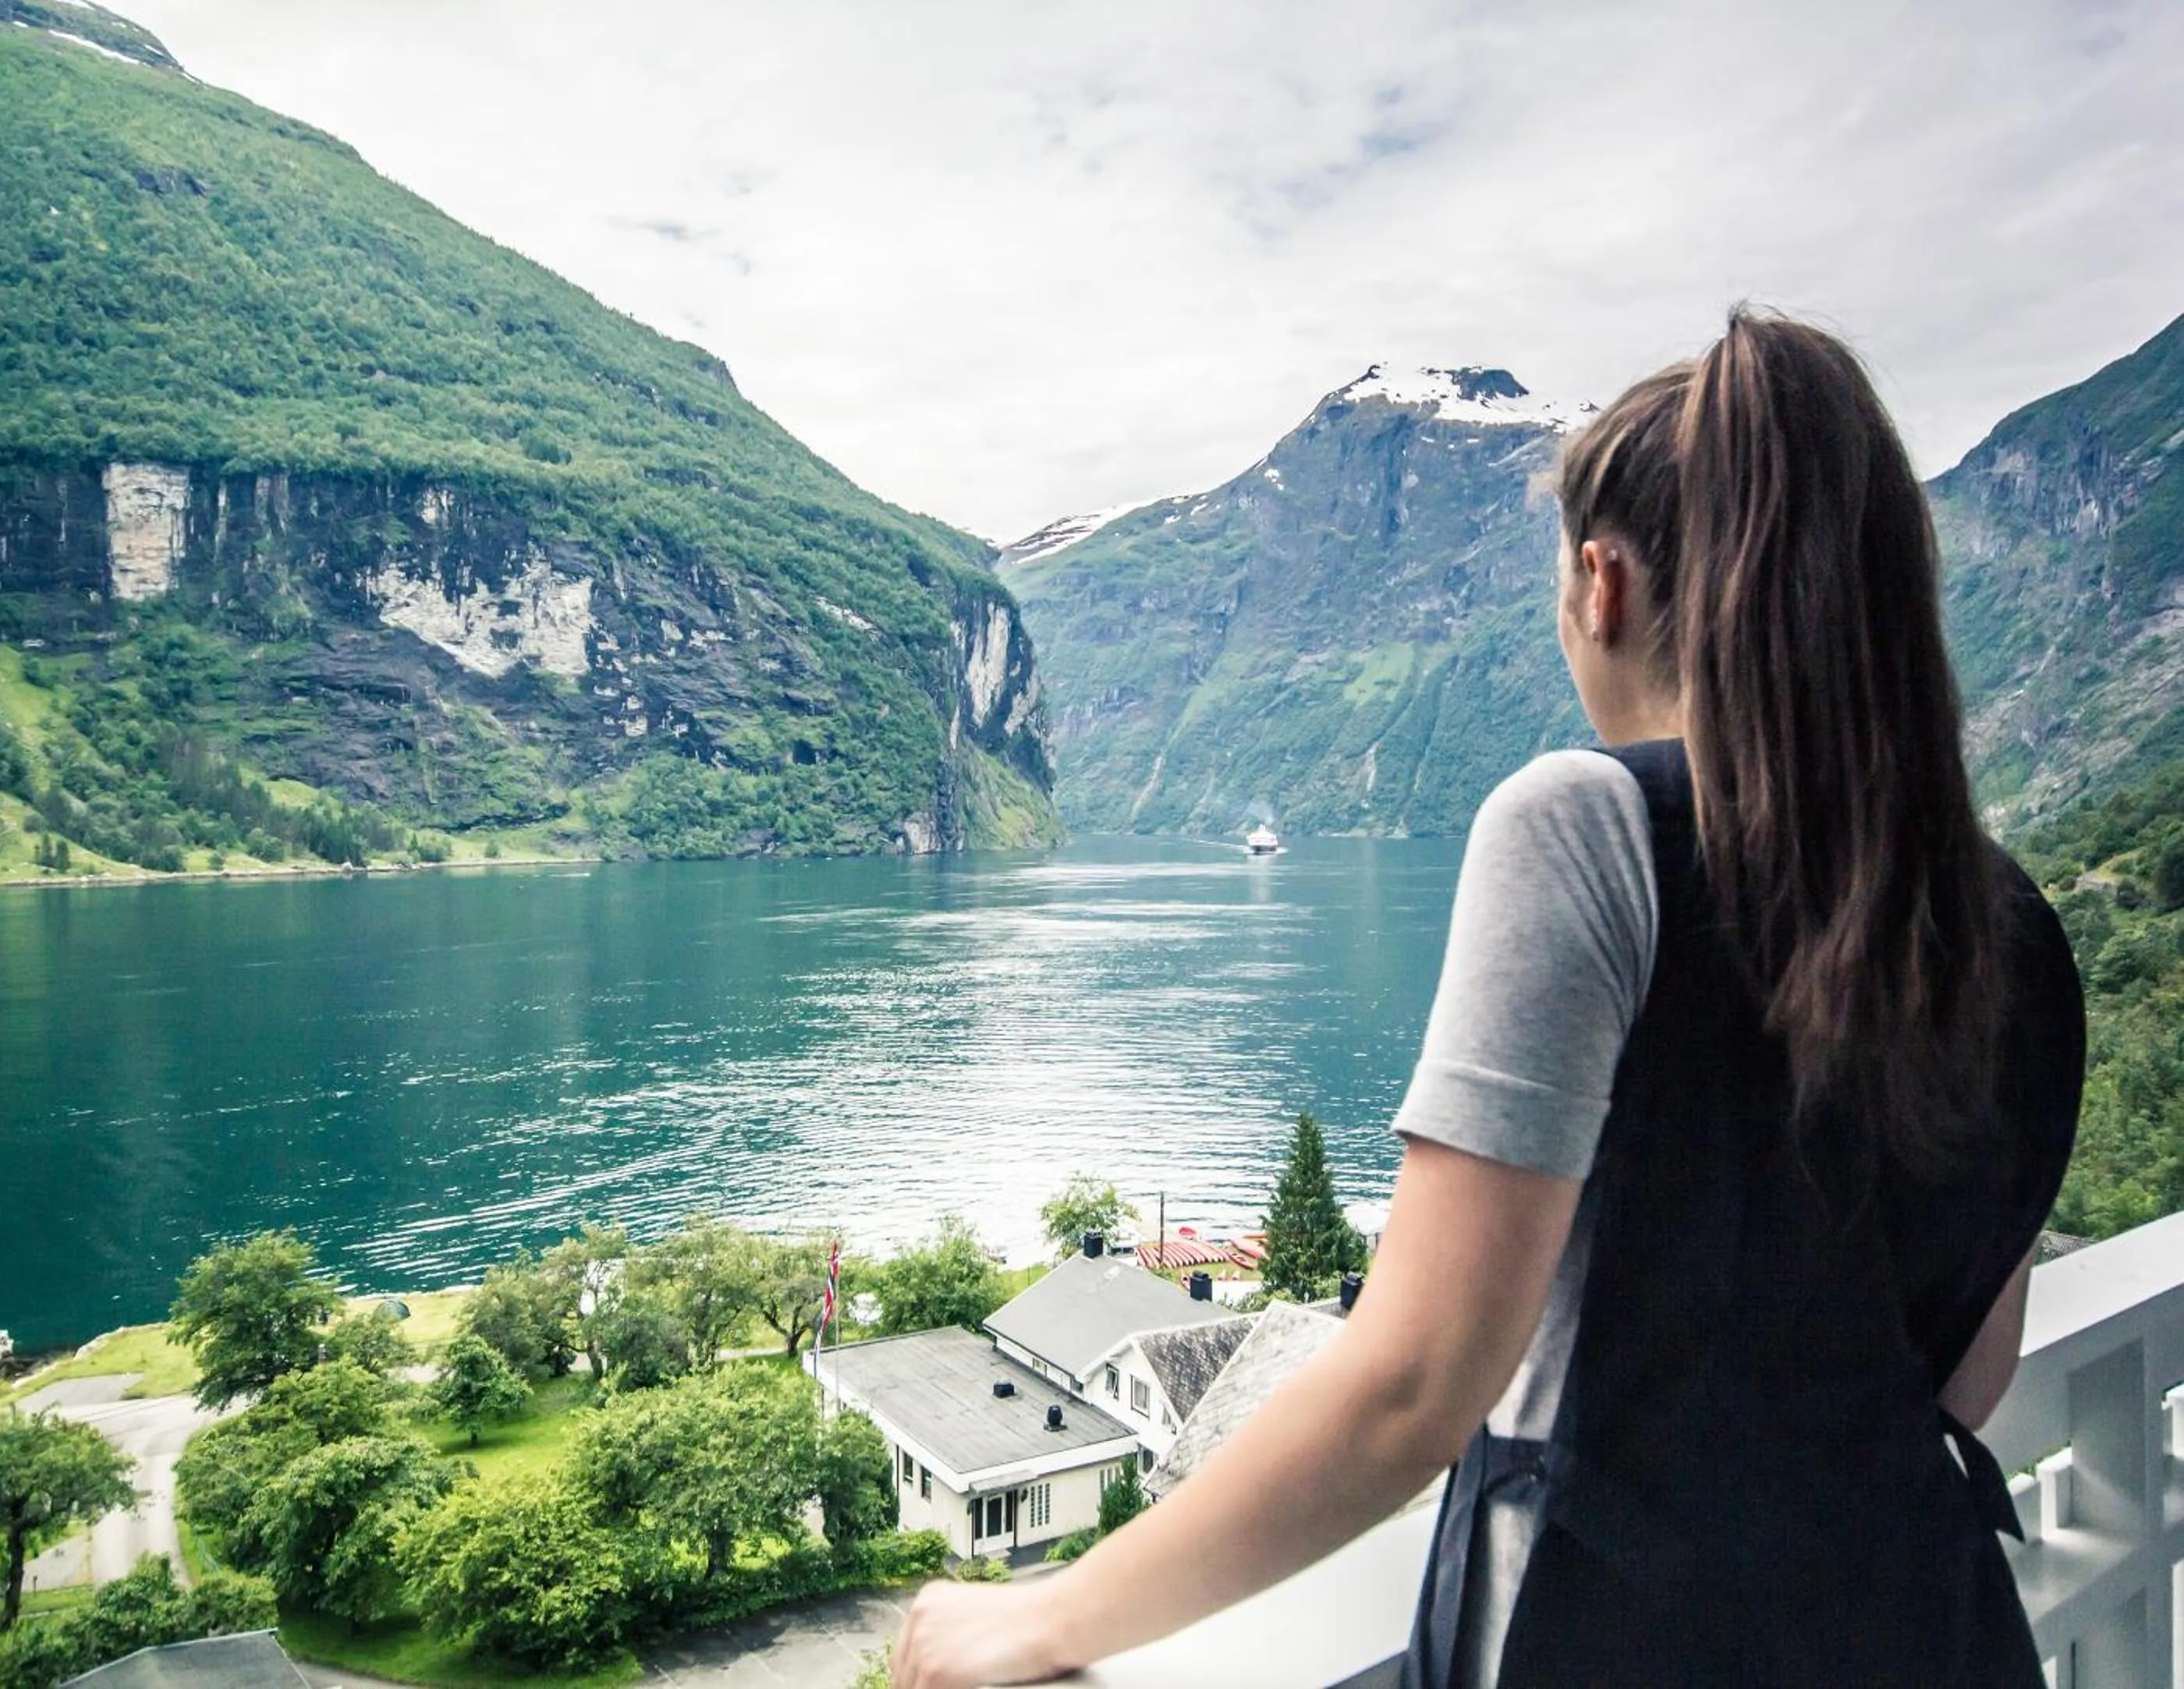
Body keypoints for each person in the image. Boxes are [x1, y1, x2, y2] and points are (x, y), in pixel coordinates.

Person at [888, 309, 2085, 1689]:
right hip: (1929, 1634)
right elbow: (1964, 1381)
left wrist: (1042, 1617)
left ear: (1603, 584)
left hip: (1618, 1643)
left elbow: (1413, 1382)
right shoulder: (2014, 927)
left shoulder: (1586, 826)